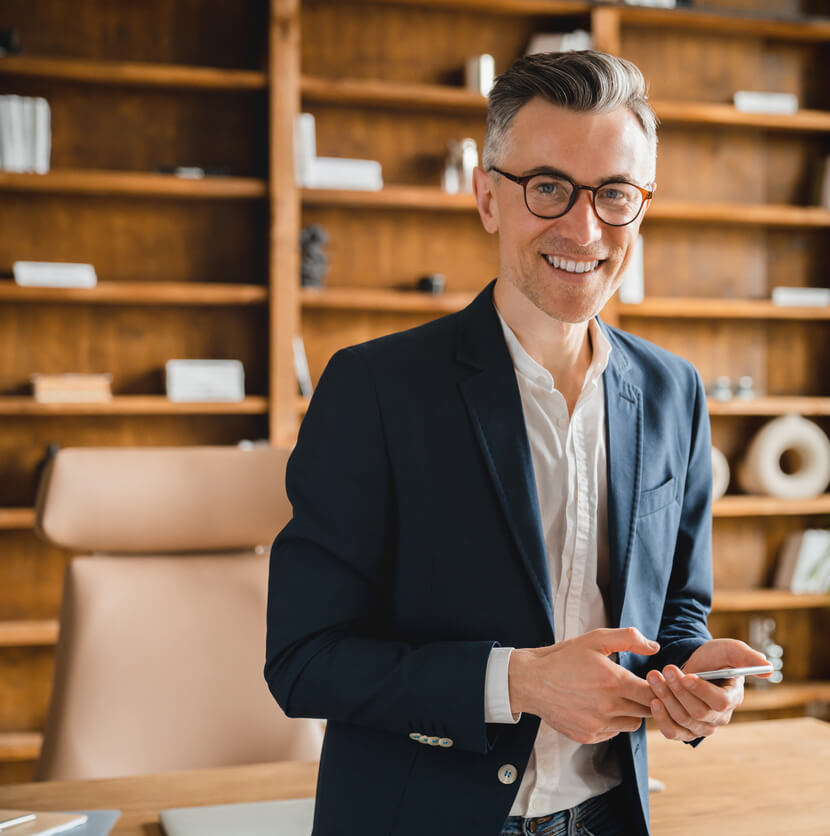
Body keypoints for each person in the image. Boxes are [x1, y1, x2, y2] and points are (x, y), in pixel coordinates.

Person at [264, 50, 771, 836]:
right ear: (487, 196)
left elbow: (678, 609)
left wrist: (692, 678)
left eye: (614, 194)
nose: (582, 226)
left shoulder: (675, 392)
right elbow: (305, 660)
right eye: (547, 188)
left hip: (608, 815)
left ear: (642, 204)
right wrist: (519, 683)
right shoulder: (373, 388)